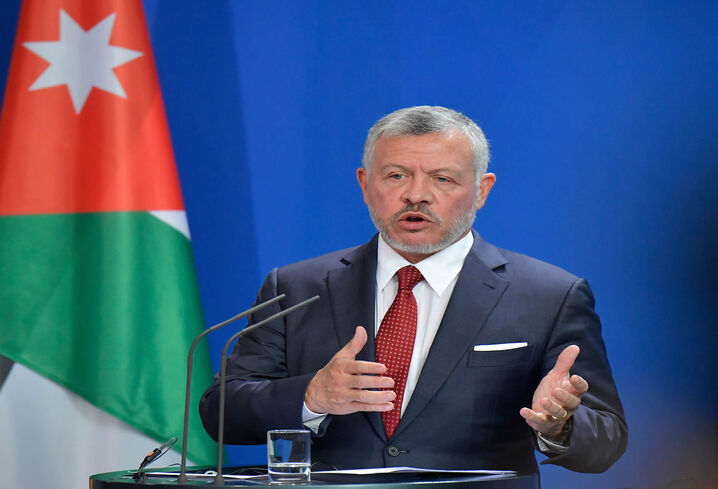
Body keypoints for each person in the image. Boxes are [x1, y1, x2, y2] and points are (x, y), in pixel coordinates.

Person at [199, 106, 627, 475]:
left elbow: (607, 440)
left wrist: (558, 426)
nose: (416, 195)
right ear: (366, 184)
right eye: (397, 175)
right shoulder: (295, 288)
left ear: (482, 190)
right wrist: (312, 395)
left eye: (442, 179)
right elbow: (222, 414)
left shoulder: (549, 295)